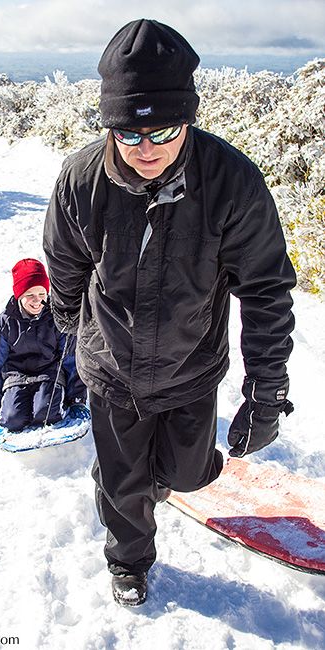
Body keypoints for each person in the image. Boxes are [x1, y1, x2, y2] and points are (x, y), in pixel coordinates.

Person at [43, 19, 296, 606]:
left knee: (186, 475)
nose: (147, 149)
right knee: (123, 484)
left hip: (191, 368)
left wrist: (265, 394)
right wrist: (66, 325)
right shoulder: (81, 180)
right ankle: (129, 561)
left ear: (190, 117)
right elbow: (65, 262)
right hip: (112, 369)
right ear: (110, 126)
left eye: (164, 131)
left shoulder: (232, 182)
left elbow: (265, 290)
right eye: (130, 136)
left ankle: (160, 477)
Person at [0, 258, 88, 434]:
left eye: (41, 294)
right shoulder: (3, 324)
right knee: (12, 420)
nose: (37, 301)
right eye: (30, 295)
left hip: (49, 374)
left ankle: (57, 405)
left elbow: (71, 358)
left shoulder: (57, 318)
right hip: (16, 376)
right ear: (19, 295)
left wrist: (77, 399)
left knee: (46, 414)